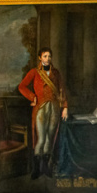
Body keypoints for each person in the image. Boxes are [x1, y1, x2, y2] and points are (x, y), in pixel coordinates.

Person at [18, 47, 69, 179]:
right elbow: (22, 87)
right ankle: (36, 168)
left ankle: (45, 167)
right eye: (45, 56)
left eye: (49, 56)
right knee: (40, 139)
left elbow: (62, 90)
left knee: (49, 138)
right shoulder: (34, 72)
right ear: (40, 58)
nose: (47, 59)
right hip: (41, 108)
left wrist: (65, 107)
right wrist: (32, 97)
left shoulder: (56, 73)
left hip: (54, 109)